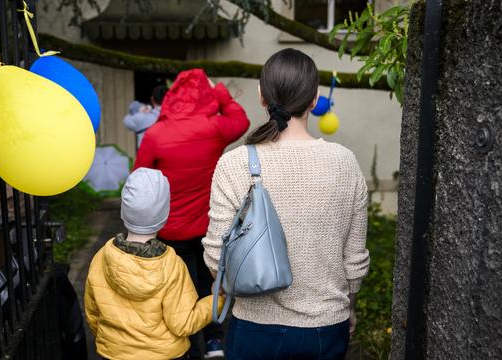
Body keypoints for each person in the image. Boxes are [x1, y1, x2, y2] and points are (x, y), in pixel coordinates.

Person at [202, 48, 370, 360]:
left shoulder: (234, 164)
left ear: (261, 96)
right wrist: (350, 306)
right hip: (327, 326)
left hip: (254, 327)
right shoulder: (346, 163)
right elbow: (354, 260)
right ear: (315, 98)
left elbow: (216, 258)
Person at [133, 68, 250, 359]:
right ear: (205, 95)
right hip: (208, 227)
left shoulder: (156, 134)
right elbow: (242, 120)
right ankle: (213, 342)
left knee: (175, 286)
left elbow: (140, 179)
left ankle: (181, 345)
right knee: (208, 282)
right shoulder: (215, 128)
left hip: (168, 230)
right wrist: (220, 91)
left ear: (172, 97)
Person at [84, 168, 224, 360]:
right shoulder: (172, 264)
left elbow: (93, 312)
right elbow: (183, 323)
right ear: (163, 215)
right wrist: (218, 299)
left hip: (114, 354)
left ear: (124, 212)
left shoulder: (102, 257)